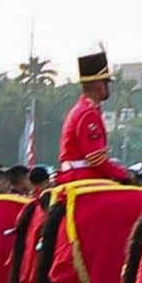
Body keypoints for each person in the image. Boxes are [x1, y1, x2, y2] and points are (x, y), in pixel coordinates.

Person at [57, 51, 124, 184]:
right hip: (83, 178)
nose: (108, 87)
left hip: (78, 176)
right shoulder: (88, 114)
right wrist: (122, 174)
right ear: (99, 84)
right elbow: (95, 157)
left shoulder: (82, 109)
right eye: (106, 83)